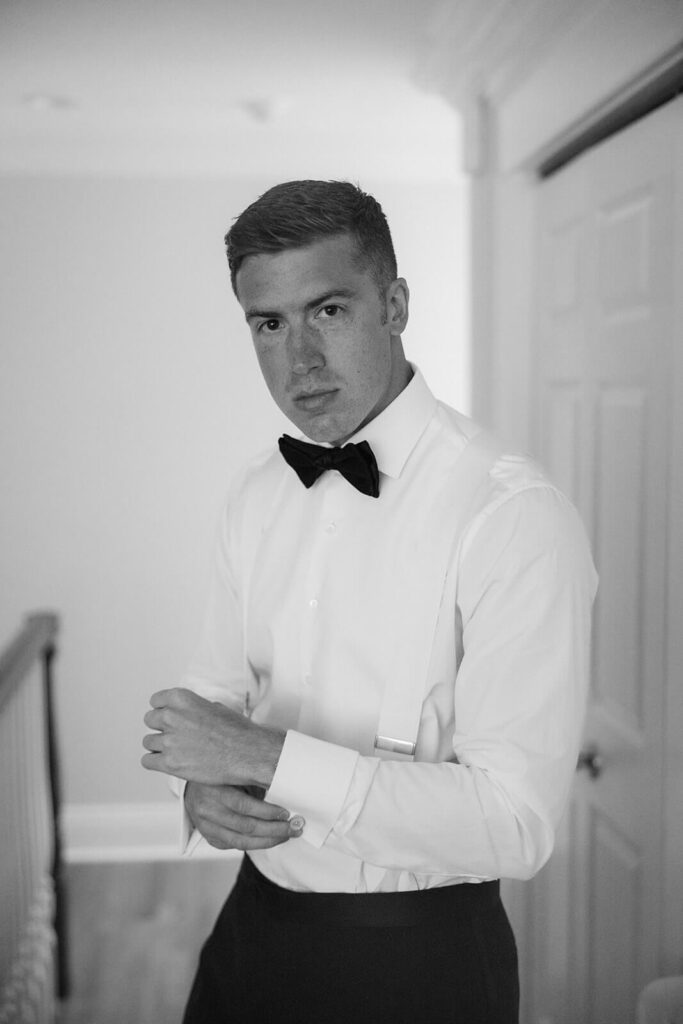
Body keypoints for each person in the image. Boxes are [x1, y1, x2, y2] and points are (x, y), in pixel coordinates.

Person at [141, 180, 597, 1024]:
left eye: (328, 311)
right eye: (268, 324)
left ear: (394, 305)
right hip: (252, 926)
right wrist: (197, 793)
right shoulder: (253, 494)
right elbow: (213, 698)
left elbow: (515, 823)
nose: (298, 361)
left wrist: (267, 758)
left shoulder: (512, 515)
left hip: (420, 958)